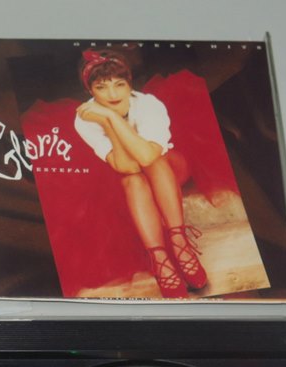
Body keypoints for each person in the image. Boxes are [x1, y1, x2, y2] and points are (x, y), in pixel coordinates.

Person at [74, 50, 206, 298]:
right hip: (128, 177)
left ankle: (179, 242)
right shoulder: (85, 119)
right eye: (102, 87)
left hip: (169, 167)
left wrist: (110, 117)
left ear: (129, 83)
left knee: (154, 163)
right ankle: (160, 257)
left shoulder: (148, 104)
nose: (113, 94)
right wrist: (109, 122)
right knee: (133, 180)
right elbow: (129, 167)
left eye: (119, 84)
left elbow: (146, 158)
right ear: (90, 91)